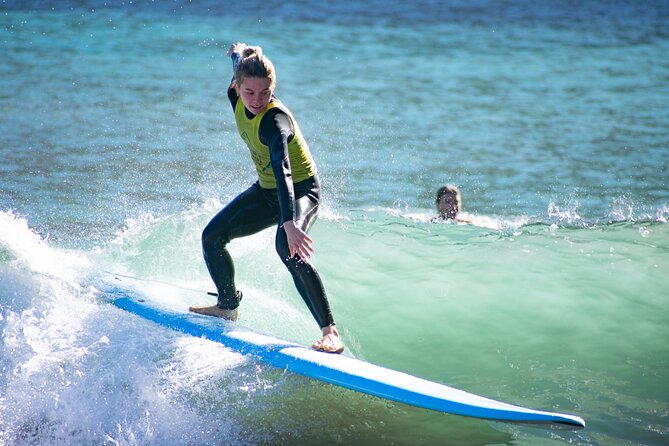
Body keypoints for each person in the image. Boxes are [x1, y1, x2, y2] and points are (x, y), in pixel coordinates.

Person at [189, 43, 344, 354]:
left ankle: (330, 333)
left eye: (265, 92)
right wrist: (241, 52)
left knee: (287, 247)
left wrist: (289, 223)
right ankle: (228, 305)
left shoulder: (275, 123)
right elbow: (238, 62)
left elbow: (284, 170)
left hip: (301, 190)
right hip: (267, 190)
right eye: (250, 92)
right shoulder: (235, 93)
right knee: (212, 236)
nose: (257, 100)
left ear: (273, 88)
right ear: (237, 86)